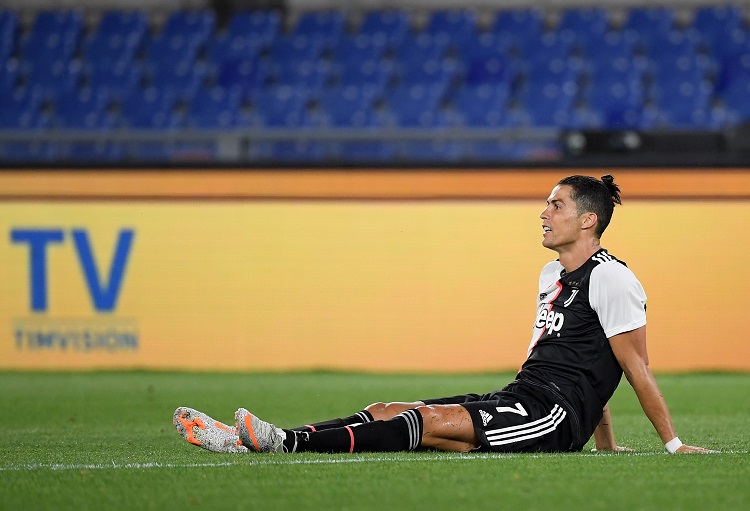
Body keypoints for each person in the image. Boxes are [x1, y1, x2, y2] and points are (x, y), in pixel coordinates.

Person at [173, 174, 715, 455]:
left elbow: (632, 367)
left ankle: (281, 443)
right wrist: (608, 444)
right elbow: (573, 357)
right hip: (522, 397)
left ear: (588, 220)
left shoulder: (613, 278)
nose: (543, 213)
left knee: (426, 423)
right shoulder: (551, 276)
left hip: (551, 417)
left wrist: (671, 444)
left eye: (556, 205)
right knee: (387, 409)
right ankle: (255, 439)